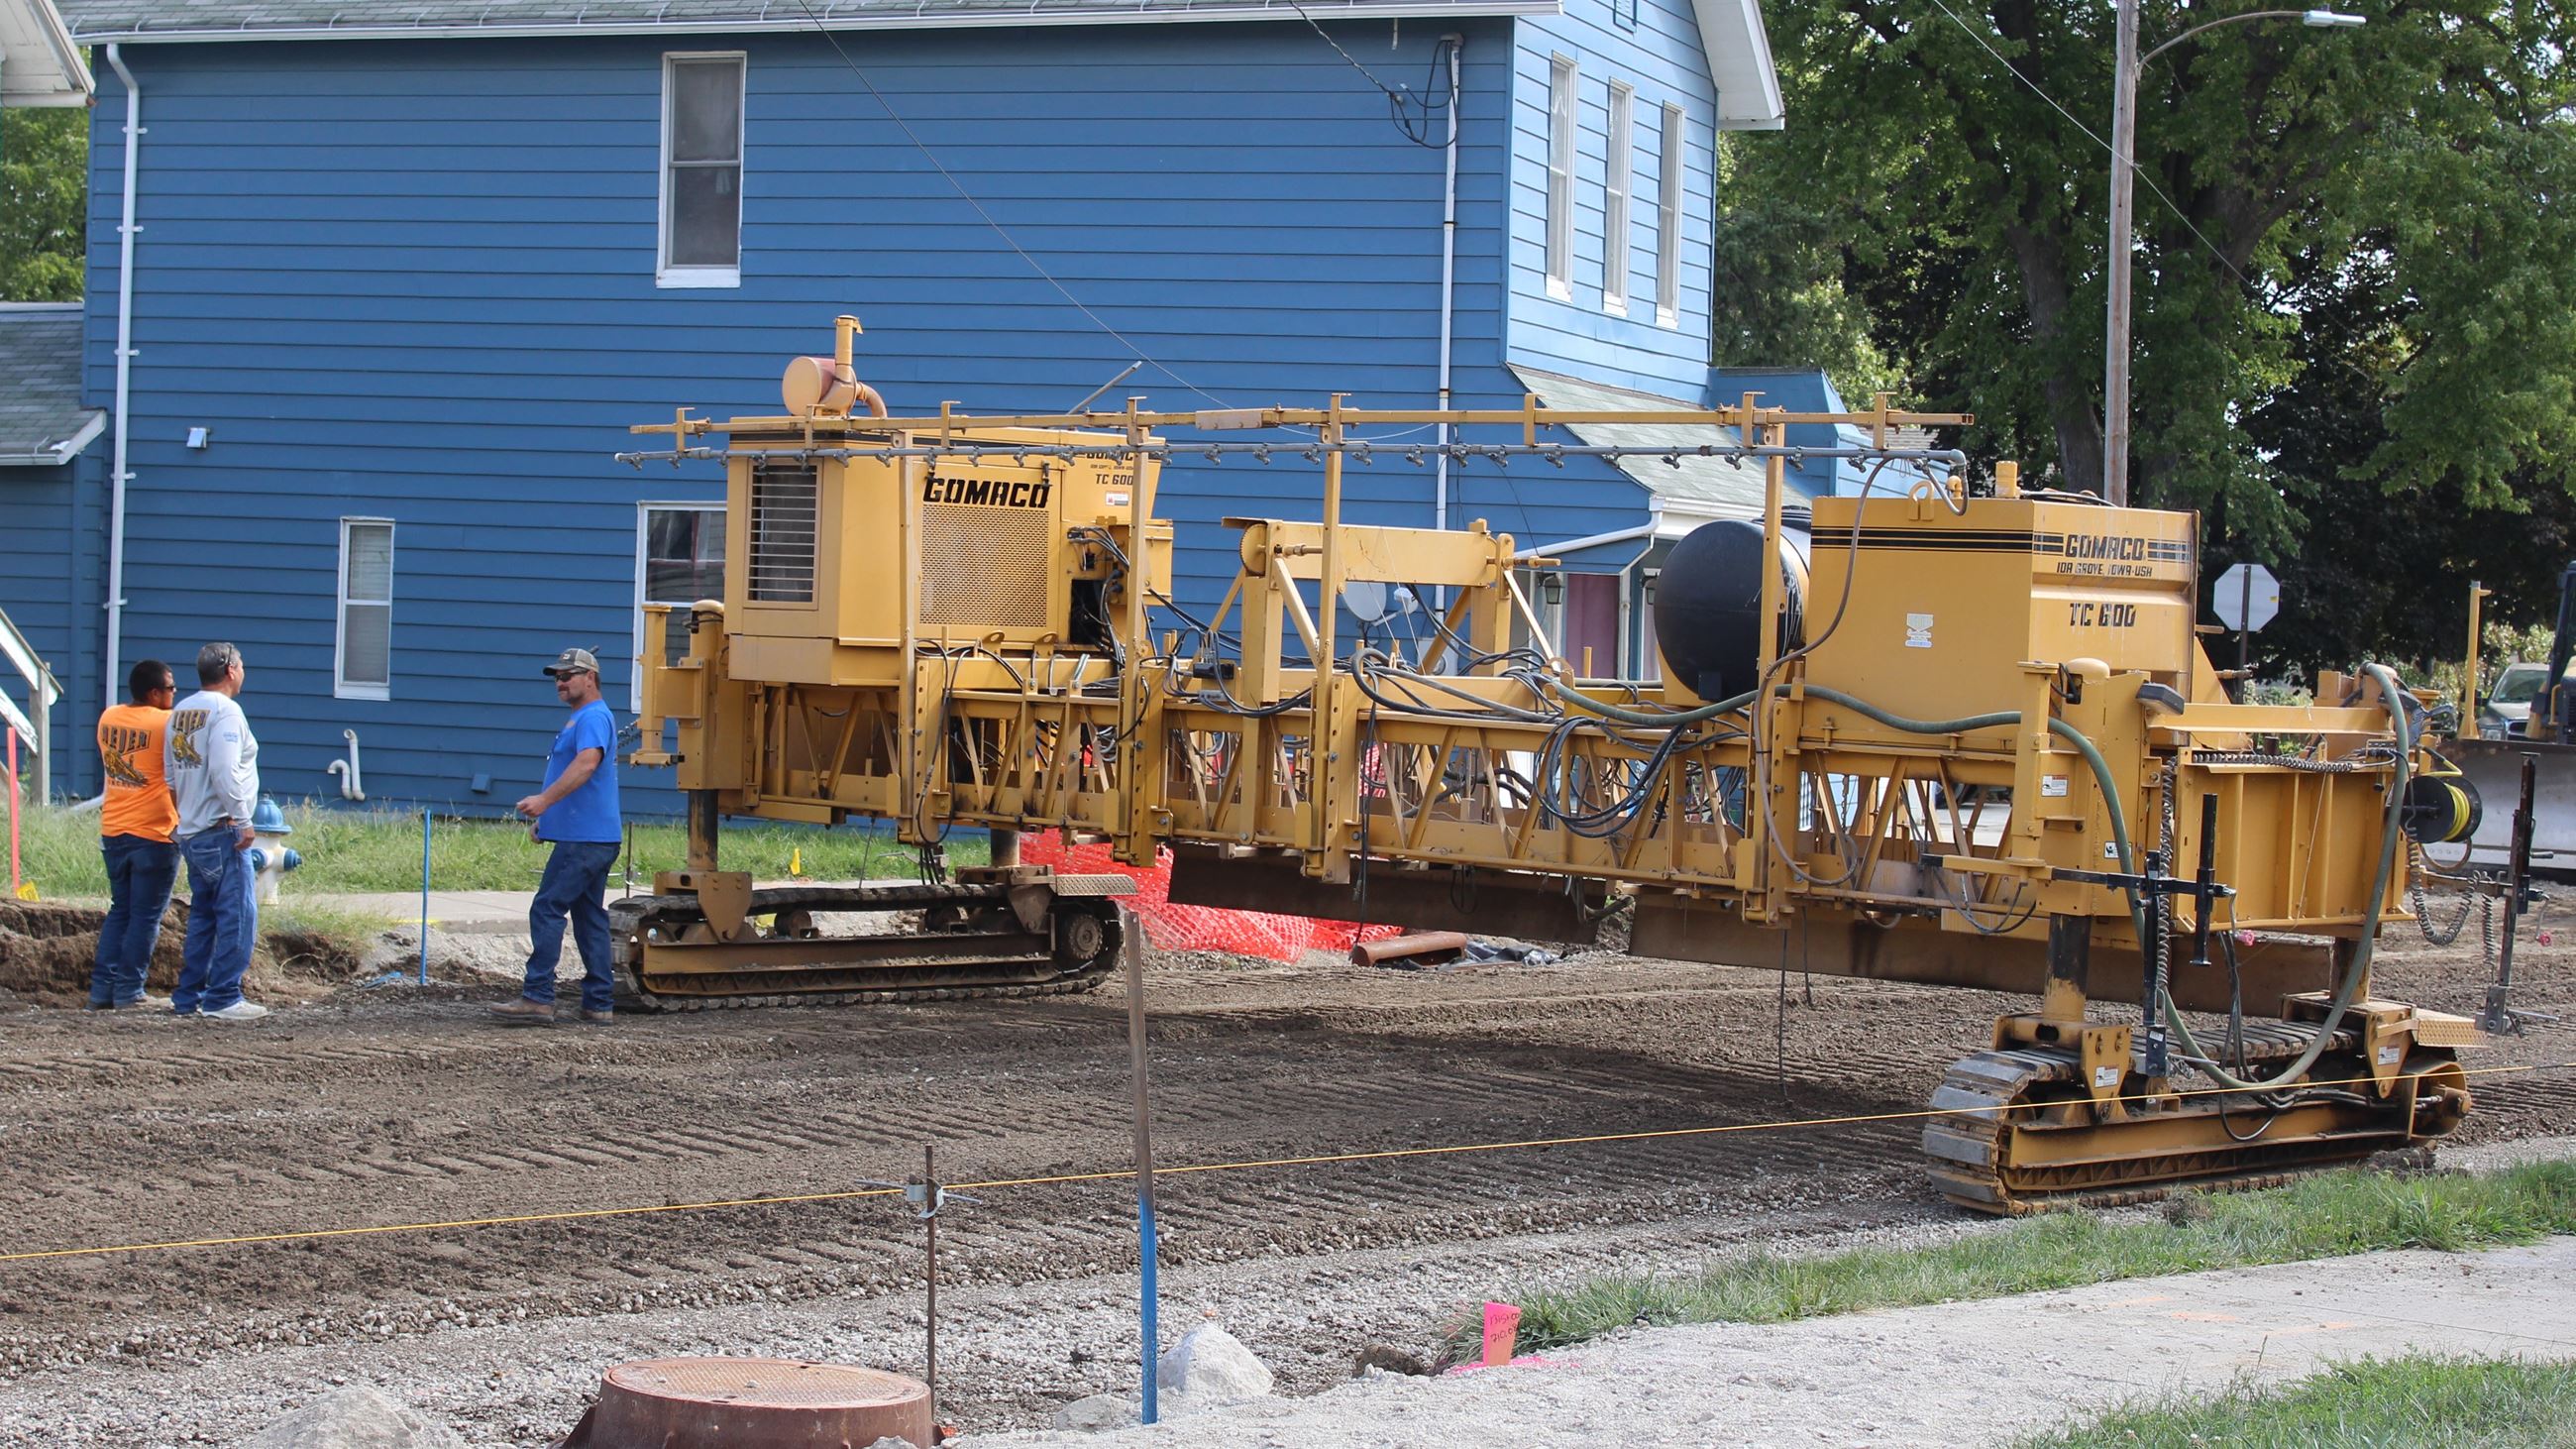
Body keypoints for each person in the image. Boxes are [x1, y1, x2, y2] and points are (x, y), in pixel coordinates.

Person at [492, 647, 623, 1026]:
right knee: (588, 918)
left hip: (584, 839)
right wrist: (547, 820)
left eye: (568, 675)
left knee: (547, 908)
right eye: (557, 677)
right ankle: (599, 1002)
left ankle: (538, 998)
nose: (561, 682)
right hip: (590, 835)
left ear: (591, 678)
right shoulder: (583, 717)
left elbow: (587, 764)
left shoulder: (594, 717)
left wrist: (544, 800)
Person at [164, 642, 267, 1021]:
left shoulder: (181, 710)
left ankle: (188, 996)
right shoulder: (226, 712)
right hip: (222, 829)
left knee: (203, 918)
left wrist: (187, 815)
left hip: (191, 831)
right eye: (241, 665)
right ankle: (224, 996)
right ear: (230, 670)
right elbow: (225, 771)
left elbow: (171, 776)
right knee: (238, 915)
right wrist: (242, 819)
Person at [88, 659, 181, 1010]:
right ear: (154, 693)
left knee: (120, 911)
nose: (175, 694)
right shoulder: (166, 723)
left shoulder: (108, 716)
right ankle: (129, 990)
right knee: (145, 916)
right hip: (154, 831)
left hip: (113, 828)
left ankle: (101, 992)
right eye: (171, 688)